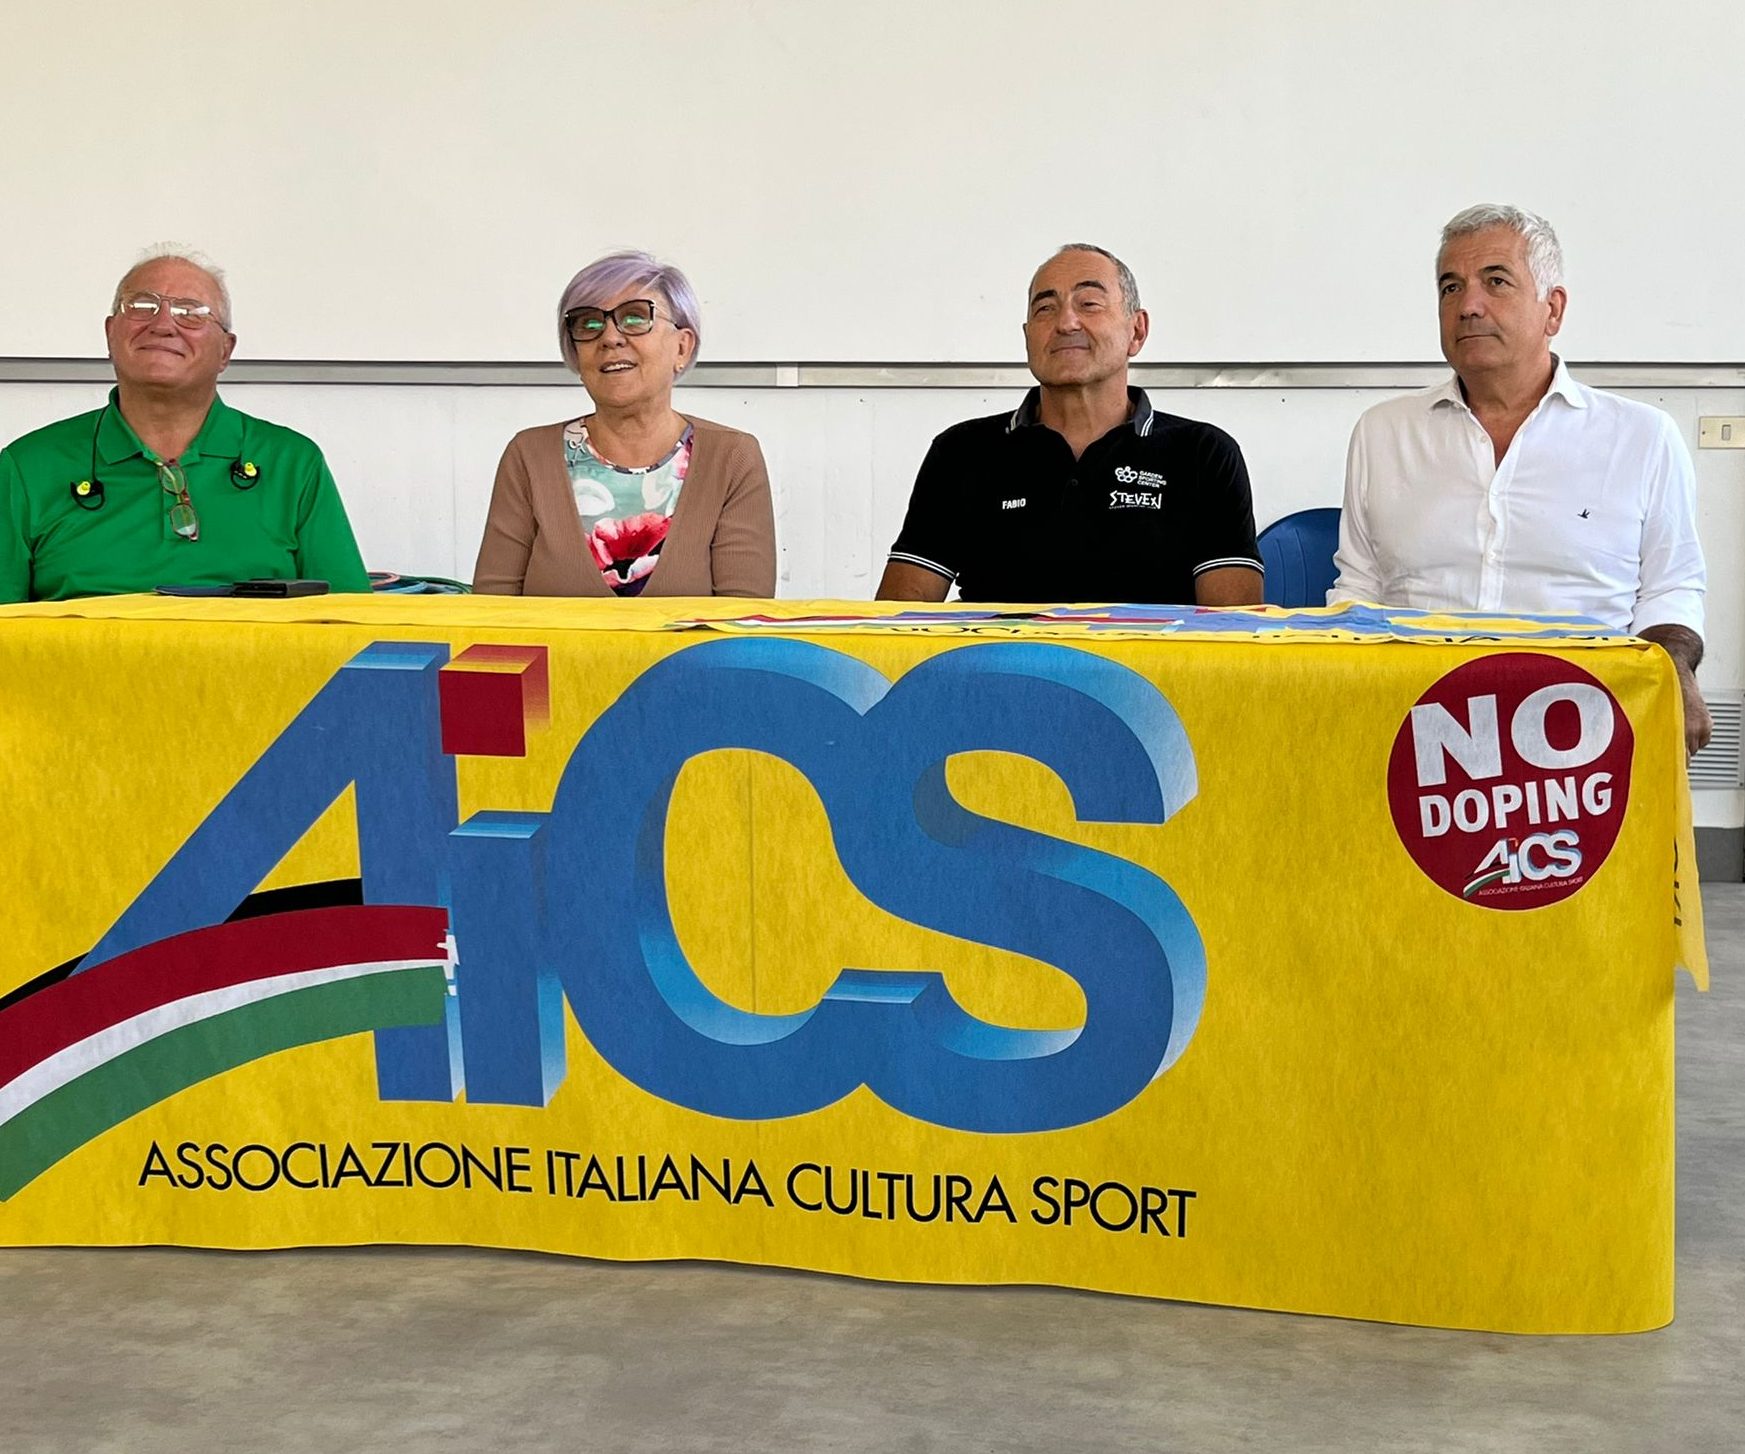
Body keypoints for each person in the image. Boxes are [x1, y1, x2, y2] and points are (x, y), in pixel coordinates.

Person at [1331, 205, 1710, 753]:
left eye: (1496, 281)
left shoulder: (1642, 437)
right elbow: (1359, 588)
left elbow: (1671, 587)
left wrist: (1676, 671)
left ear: (1552, 309)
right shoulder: (1383, 432)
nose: (1468, 306)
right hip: (1416, 724)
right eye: (1450, 287)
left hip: (1583, 726)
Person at [876, 243, 1262, 606]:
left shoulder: (1203, 453)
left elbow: (1232, 628)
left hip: (1149, 659)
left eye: (1089, 303)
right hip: (998, 657)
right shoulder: (962, 451)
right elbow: (897, 618)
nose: (1065, 322)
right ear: (1027, 336)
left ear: (1137, 331)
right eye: (1045, 308)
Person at [0, 250, 370, 603]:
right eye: (142, 306)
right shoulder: (27, 468)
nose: (163, 325)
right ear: (110, 333)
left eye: (191, 312)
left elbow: (349, 622)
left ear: (225, 351)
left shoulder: (293, 464)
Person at [473, 250, 775, 597]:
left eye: (635, 318)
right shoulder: (529, 456)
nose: (610, 337)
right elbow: (492, 609)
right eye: (588, 323)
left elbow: (742, 616)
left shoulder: (732, 458)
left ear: (682, 347)